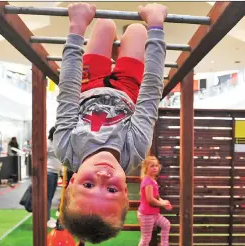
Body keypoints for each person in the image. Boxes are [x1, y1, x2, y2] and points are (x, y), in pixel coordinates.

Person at [53, 2, 168, 243]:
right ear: (126, 191)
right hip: (128, 89)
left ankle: (117, 48)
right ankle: (124, 50)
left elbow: (67, 91)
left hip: (88, 84)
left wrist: (76, 29)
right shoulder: (134, 150)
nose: (103, 176)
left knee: (104, 25)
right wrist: (156, 28)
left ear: (72, 180)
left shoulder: (66, 147)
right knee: (138, 30)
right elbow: (151, 92)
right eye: (112, 190)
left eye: (87, 184)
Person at [138, 156, 172, 246]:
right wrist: (162, 204)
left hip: (154, 214)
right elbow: (150, 200)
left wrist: (164, 202)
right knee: (145, 239)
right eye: (152, 166)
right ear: (146, 168)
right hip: (146, 215)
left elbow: (156, 197)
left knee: (166, 224)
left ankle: (164, 244)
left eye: (156, 166)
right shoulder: (147, 182)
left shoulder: (153, 181)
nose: (155, 168)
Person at [46, 126, 63, 228]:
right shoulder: (47, 144)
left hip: (54, 173)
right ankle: (46, 219)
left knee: (50, 197)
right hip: (49, 172)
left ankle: (47, 218)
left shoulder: (56, 144)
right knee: (47, 197)